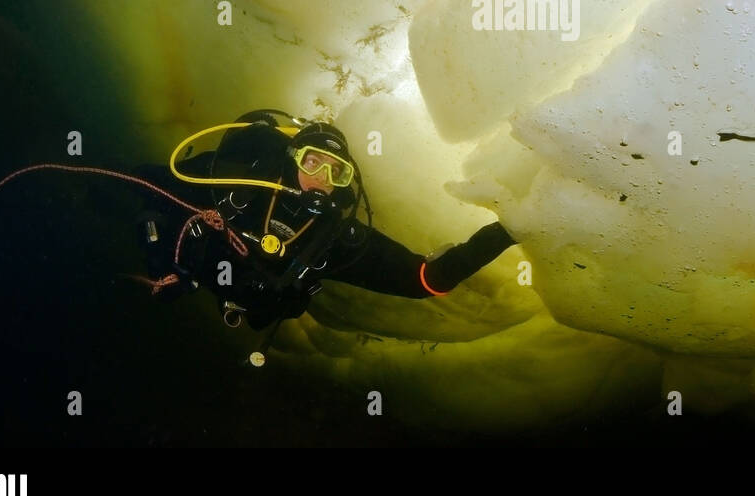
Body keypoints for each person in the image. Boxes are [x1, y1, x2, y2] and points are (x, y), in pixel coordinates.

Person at [134, 109, 516, 333]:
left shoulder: (336, 238)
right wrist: (160, 261)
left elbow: (424, 280)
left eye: (338, 172)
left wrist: (507, 231)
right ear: (291, 158)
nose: (322, 179)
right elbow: (142, 184)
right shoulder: (234, 182)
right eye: (313, 162)